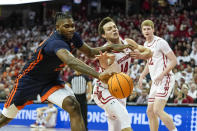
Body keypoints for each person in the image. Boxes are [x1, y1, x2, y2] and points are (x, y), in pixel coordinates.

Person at [0, 12, 129, 131]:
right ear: (57, 27)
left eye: (73, 25)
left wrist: (109, 47)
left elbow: (90, 53)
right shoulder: (55, 43)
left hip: (50, 81)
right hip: (28, 82)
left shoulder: (73, 36)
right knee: (5, 119)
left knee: (73, 106)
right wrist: (99, 75)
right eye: (67, 26)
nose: (71, 29)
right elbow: (71, 62)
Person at [92, 17, 152, 131]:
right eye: (109, 29)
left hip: (119, 92)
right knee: (124, 117)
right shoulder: (105, 52)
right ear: (104, 35)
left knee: (116, 128)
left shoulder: (128, 43)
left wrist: (140, 55)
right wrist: (108, 67)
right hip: (104, 90)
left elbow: (149, 52)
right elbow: (104, 79)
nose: (114, 29)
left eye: (114, 27)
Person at [139, 20, 178, 131]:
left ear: (153, 29)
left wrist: (162, 74)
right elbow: (149, 62)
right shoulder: (145, 45)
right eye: (144, 29)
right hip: (156, 82)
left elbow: (174, 60)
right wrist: (142, 75)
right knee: (150, 111)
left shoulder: (160, 42)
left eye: (149, 29)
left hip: (166, 78)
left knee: (157, 110)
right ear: (142, 31)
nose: (147, 31)